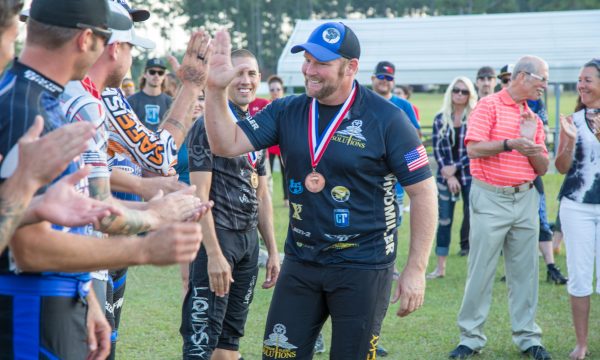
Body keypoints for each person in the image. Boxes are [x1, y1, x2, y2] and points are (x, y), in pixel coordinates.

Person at [203, 23, 437, 359]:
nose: (309, 70)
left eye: (321, 63)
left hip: (364, 264)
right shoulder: (288, 110)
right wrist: (213, 89)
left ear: (351, 67)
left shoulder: (387, 119)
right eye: (308, 60)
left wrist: (415, 269)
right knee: (277, 355)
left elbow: (424, 193)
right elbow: (226, 144)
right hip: (302, 260)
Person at [0, 1, 206, 358]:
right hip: (30, 310)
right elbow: (29, 248)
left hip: (58, 299)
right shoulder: (27, 108)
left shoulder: (47, 100)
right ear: (87, 40)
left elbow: (64, 211)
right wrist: (145, 243)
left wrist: (85, 293)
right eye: (109, 38)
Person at [449, 56, 551, 360]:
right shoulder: (489, 105)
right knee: (480, 271)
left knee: (525, 273)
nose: (544, 86)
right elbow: (473, 148)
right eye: (541, 79)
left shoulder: (532, 116)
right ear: (522, 76)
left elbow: (543, 167)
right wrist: (511, 143)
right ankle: (470, 338)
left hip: (525, 198)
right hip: (490, 198)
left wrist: (531, 145)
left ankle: (528, 337)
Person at [181, 49, 280, 360]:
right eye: (238, 73)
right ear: (224, 77)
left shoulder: (257, 127)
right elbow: (199, 195)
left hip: (248, 244)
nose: (245, 80)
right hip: (217, 239)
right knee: (200, 344)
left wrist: (273, 250)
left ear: (259, 79)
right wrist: (212, 254)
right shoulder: (207, 125)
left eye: (251, 74)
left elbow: (262, 194)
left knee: (229, 343)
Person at [497, 64, 567, 284]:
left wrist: (529, 141)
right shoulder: (493, 103)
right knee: (507, 226)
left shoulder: (534, 102)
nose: (508, 82)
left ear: (522, 77)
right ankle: (512, 270)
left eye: (511, 78)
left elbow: (543, 136)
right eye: (504, 79)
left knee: (540, 218)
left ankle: (550, 266)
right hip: (502, 176)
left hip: (529, 173)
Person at [555, 59, 600, 360]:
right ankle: (582, 344)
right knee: (579, 276)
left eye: (588, 79)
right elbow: (560, 168)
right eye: (579, 80)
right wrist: (569, 142)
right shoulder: (571, 120)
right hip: (576, 207)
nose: (581, 85)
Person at [427, 76, 477, 278]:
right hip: (445, 177)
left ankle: (475, 269)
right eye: (456, 90)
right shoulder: (440, 118)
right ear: (450, 92)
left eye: (464, 91)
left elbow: (473, 149)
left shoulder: (475, 118)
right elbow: (437, 150)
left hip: (470, 176)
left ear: (470, 95)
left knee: (474, 219)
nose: (459, 94)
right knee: (444, 220)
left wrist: (454, 168)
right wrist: (448, 175)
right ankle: (440, 268)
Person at [127, 57, 172, 130]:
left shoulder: (170, 102)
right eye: (152, 72)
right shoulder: (131, 101)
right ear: (145, 74)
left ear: (164, 76)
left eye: (160, 73)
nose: (156, 75)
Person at [265, 75, 288, 206]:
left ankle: (286, 199)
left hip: (283, 146)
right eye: (272, 89)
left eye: (278, 89)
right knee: (266, 174)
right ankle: (266, 198)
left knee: (286, 173)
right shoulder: (266, 106)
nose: (275, 92)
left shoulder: (288, 106)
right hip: (269, 146)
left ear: (282, 90)